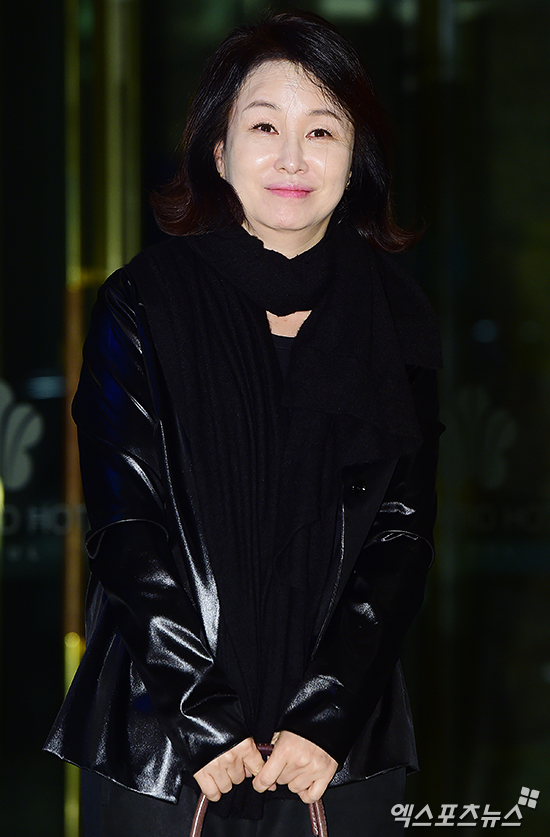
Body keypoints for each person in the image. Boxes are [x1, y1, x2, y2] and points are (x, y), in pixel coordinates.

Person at [45, 10, 442, 836]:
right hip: (166, 741)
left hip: (337, 748)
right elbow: (125, 526)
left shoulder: (399, 317)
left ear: (354, 161)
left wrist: (325, 715)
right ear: (219, 151)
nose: (292, 157)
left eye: (321, 130)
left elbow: (401, 533)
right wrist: (202, 712)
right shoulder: (143, 302)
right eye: (264, 126)